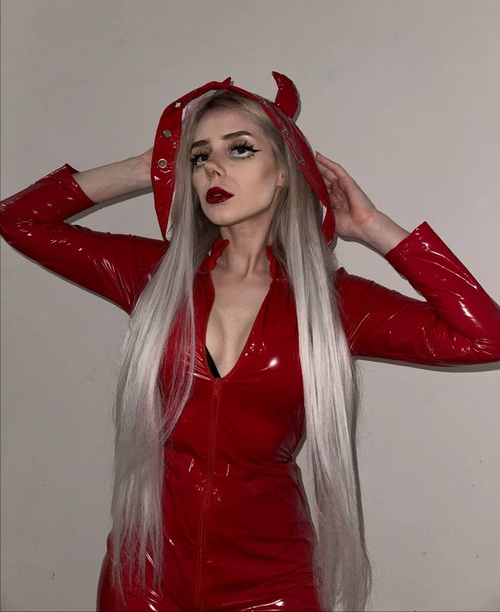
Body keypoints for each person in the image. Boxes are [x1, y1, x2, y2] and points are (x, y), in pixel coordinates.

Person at [1, 72, 499, 612]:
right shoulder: (154, 276)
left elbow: (483, 338)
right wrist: (150, 165)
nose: (213, 168)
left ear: (285, 171)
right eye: (199, 157)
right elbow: (19, 220)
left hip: (271, 585)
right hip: (146, 574)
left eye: (239, 149)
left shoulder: (333, 303)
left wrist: (373, 226)